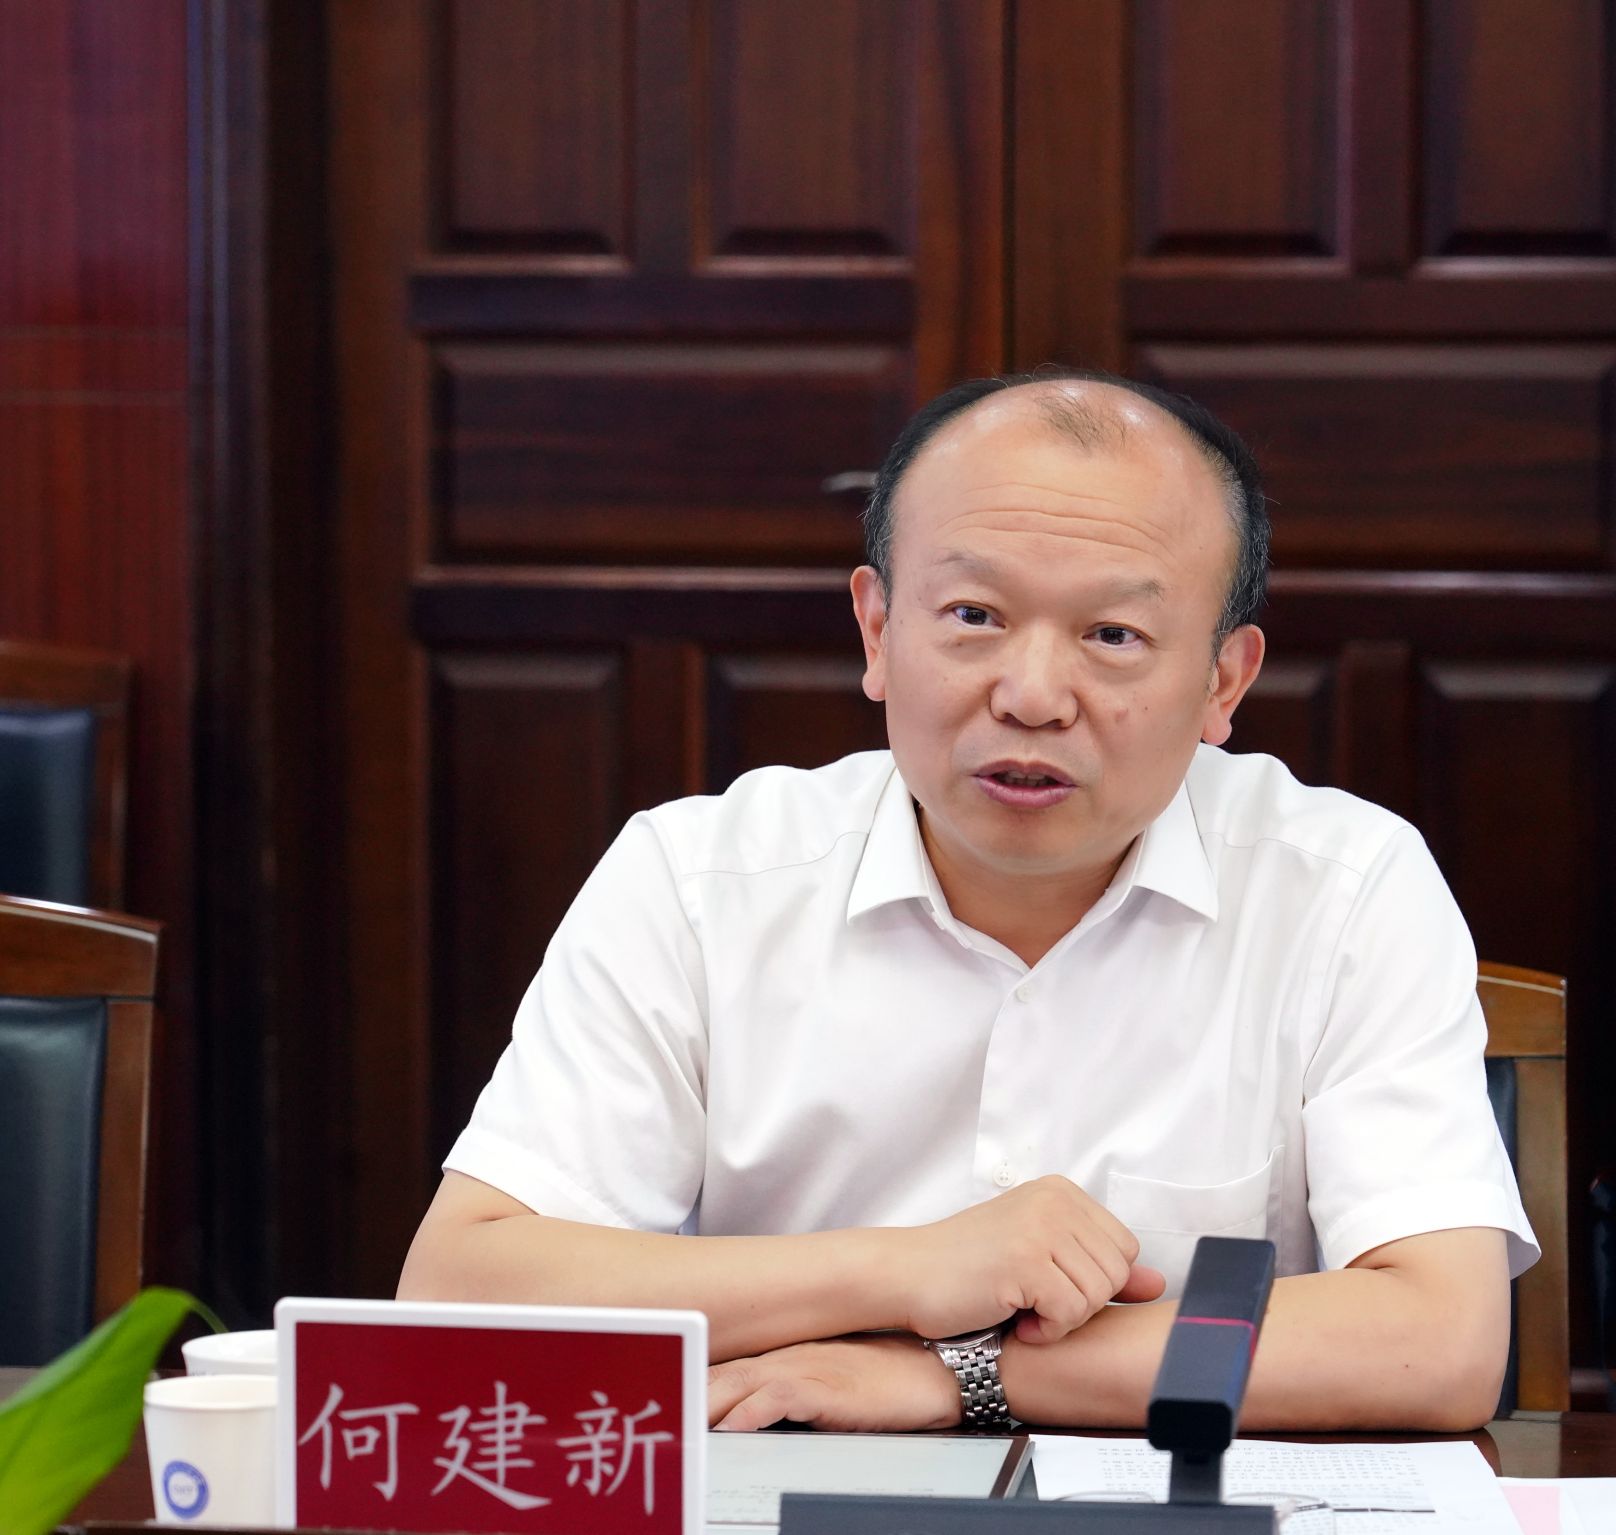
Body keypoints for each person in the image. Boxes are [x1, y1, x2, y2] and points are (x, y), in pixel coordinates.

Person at [398, 370, 1538, 1433]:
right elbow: (459, 1293)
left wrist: (953, 1373)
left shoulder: (1344, 886)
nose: (1032, 695)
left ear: (1222, 680)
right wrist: (904, 1268)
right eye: (974, 616)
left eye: (1113, 635)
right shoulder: (696, 880)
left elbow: (1436, 1341)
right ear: (878, 630)